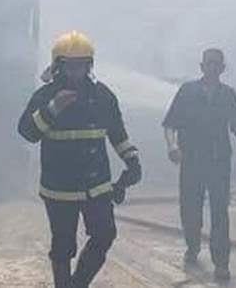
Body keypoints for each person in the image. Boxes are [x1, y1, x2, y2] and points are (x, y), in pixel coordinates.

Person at [18, 31, 142, 288]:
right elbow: (27, 132)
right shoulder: (45, 97)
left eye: (81, 66)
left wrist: (132, 160)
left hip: (96, 186)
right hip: (59, 188)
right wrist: (53, 109)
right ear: (58, 67)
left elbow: (117, 134)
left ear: (89, 65)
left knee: (105, 235)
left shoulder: (103, 96)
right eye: (70, 66)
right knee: (63, 246)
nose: (76, 72)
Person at [162, 48, 236, 282]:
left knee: (220, 212)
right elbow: (170, 123)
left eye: (217, 64)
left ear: (222, 68)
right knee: (190, 208)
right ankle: (192, 246)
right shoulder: (187, 91)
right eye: (209, 63)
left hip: (218, 162)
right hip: (191, 161)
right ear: (201, 66)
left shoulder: (228, 95)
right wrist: (172, 146)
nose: (212, 67)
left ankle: (221, 263)